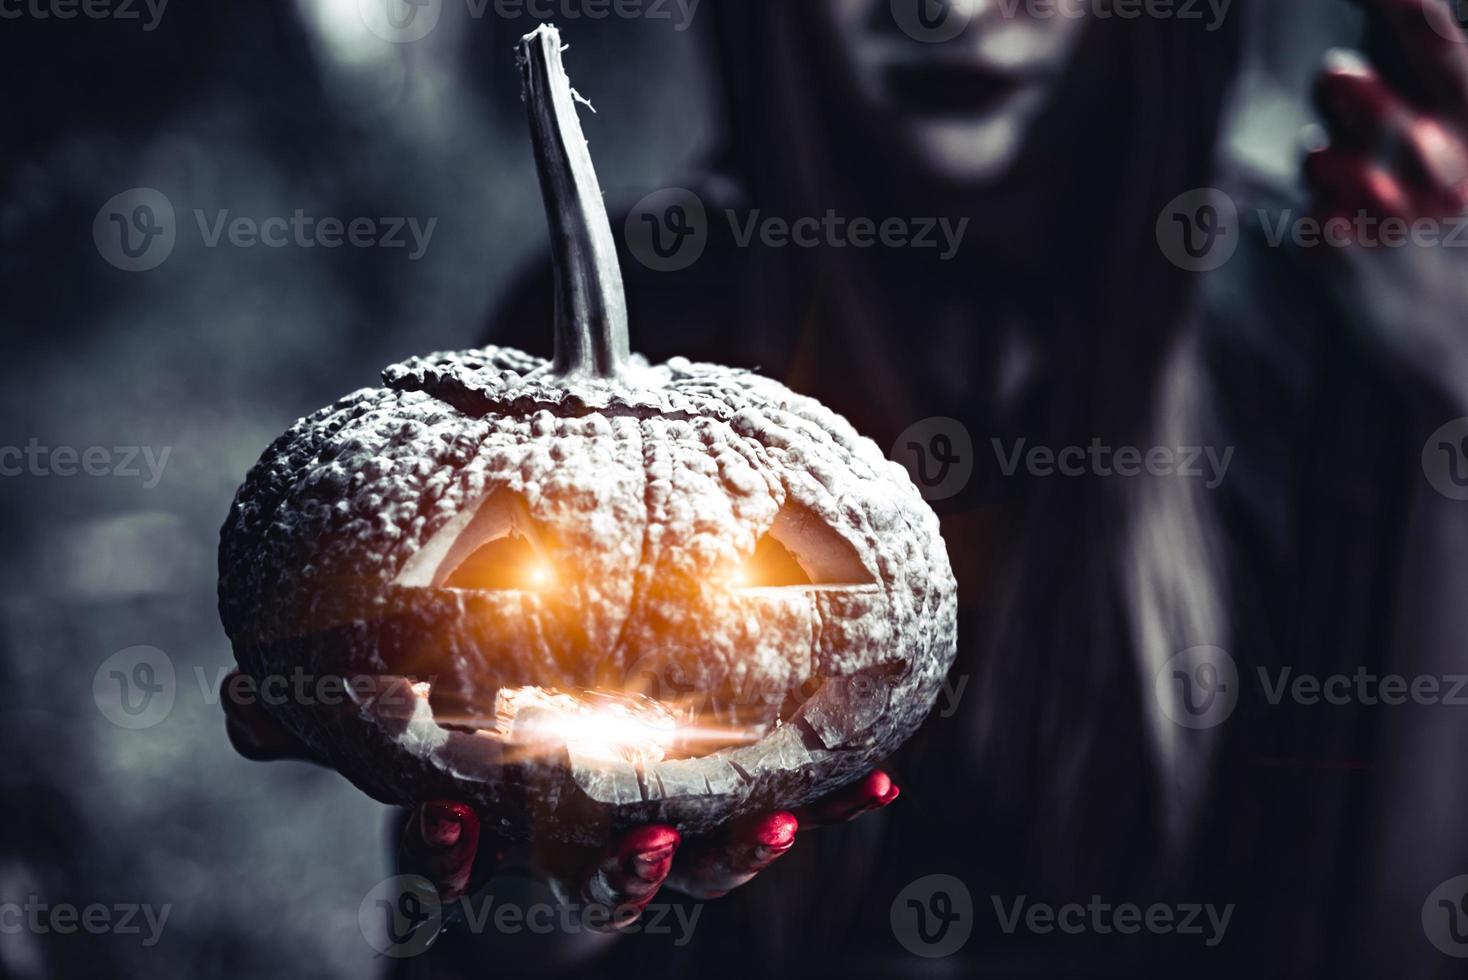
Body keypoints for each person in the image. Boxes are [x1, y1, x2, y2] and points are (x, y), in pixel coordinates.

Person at [228, 0, 1468, 975]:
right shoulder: (620, 327)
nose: (943, 5)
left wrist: (1450, 402)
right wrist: (534, 907)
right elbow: (479, 945)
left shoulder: (1332, 332)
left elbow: (1393, 932)